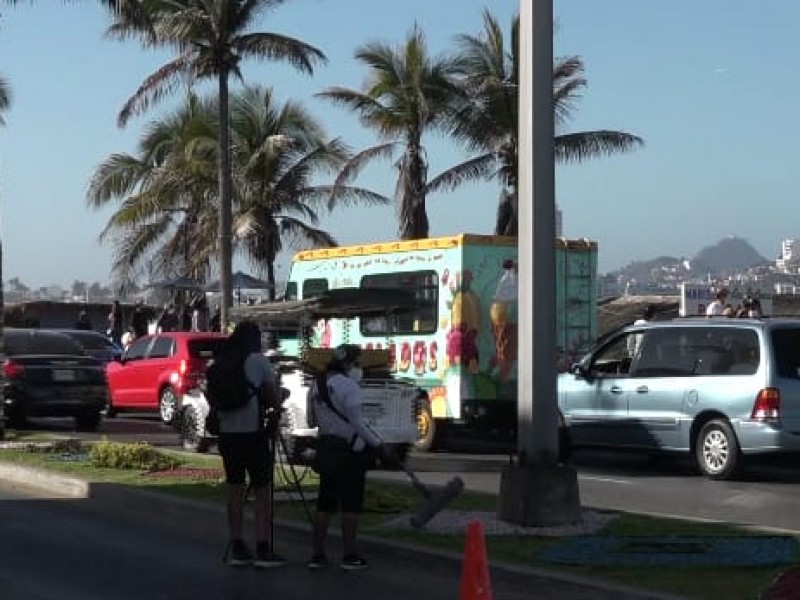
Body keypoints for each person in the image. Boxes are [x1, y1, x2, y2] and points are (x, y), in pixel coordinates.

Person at [306, 344, 390, 571]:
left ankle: (317, 554)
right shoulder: (350, 387)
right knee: (350, 506)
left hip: (327, 450)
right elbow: (358, 425)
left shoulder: (316, 384)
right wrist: (380, 446)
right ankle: (349, 555)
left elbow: (311, 421)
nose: (359, 369)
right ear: (349, 364)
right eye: (357, 364)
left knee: (325, 504)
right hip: (351, 453)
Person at [216, 320, 286, 568]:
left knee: (234, 489)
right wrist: (277, 404)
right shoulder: (258, 361)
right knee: (262, 491)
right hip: (253, 435)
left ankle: (237, 546)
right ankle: (263, 547)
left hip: (227, 435)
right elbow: (272, 399)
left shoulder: (221, 362)